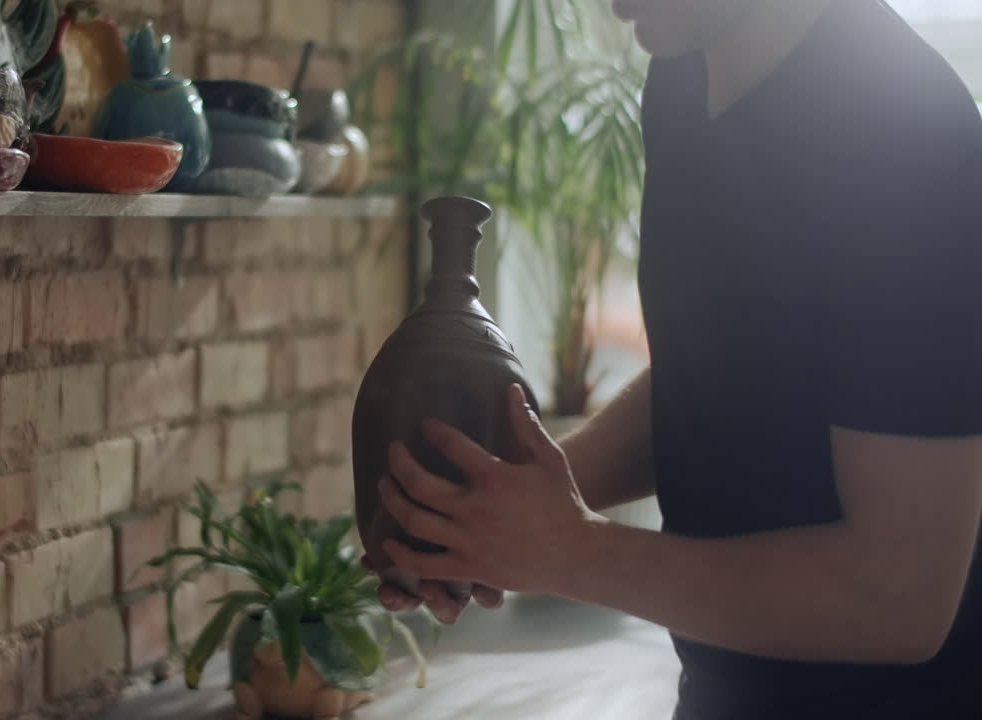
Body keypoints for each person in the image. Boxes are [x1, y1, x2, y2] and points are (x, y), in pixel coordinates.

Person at [364, 0, 982, 717]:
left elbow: (900, 599)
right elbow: (724, 371)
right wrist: (492, 512)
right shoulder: (682, 78)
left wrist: (570, 551)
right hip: (719, 693)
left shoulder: (908, 131)